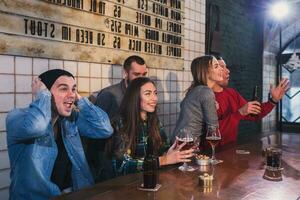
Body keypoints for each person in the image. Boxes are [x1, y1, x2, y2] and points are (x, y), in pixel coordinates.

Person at [6, 69, 113, 200]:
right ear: (45, 92)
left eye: (73, 89)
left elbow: (105, 129)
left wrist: (79, 100)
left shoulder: (69, 120)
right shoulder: (17, 117)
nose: (71, 95)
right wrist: (43, 95)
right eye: (63, 89)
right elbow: (37, 127)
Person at [104, 77, 194, 177]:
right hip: (120, 186)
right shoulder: (120, 122)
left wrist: (171, 152)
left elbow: (163, 149)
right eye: (148, 94)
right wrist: (163, 160)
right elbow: (121, 165)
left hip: (148, 180)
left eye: (155, 93)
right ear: (135, 97)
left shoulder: (153, 121)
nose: (154, 98)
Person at [83, 55, 147, 182]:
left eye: (144, 74)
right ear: (125, 73)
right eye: (136, 74)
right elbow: (96, 131)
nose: (142, 79)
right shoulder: (109, 95)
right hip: (109, 163)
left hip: (132, 160)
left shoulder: (143, 94)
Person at [213, 56, 289, 146]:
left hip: (228, 150)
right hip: (207, 154)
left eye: (226, 67)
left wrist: (273, 101)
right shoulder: (203, 95)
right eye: (221, 67)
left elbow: (254, 114)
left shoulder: (231, 93)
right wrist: (239, 113)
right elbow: (211, 133)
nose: (228, 71)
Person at [172, 55, 223, 143]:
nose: (221, 69)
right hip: (187, 144)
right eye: (216, 66)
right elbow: (213, 129)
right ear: (206, 71)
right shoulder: (206, 92)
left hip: (178, 141)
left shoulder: (195, 90)